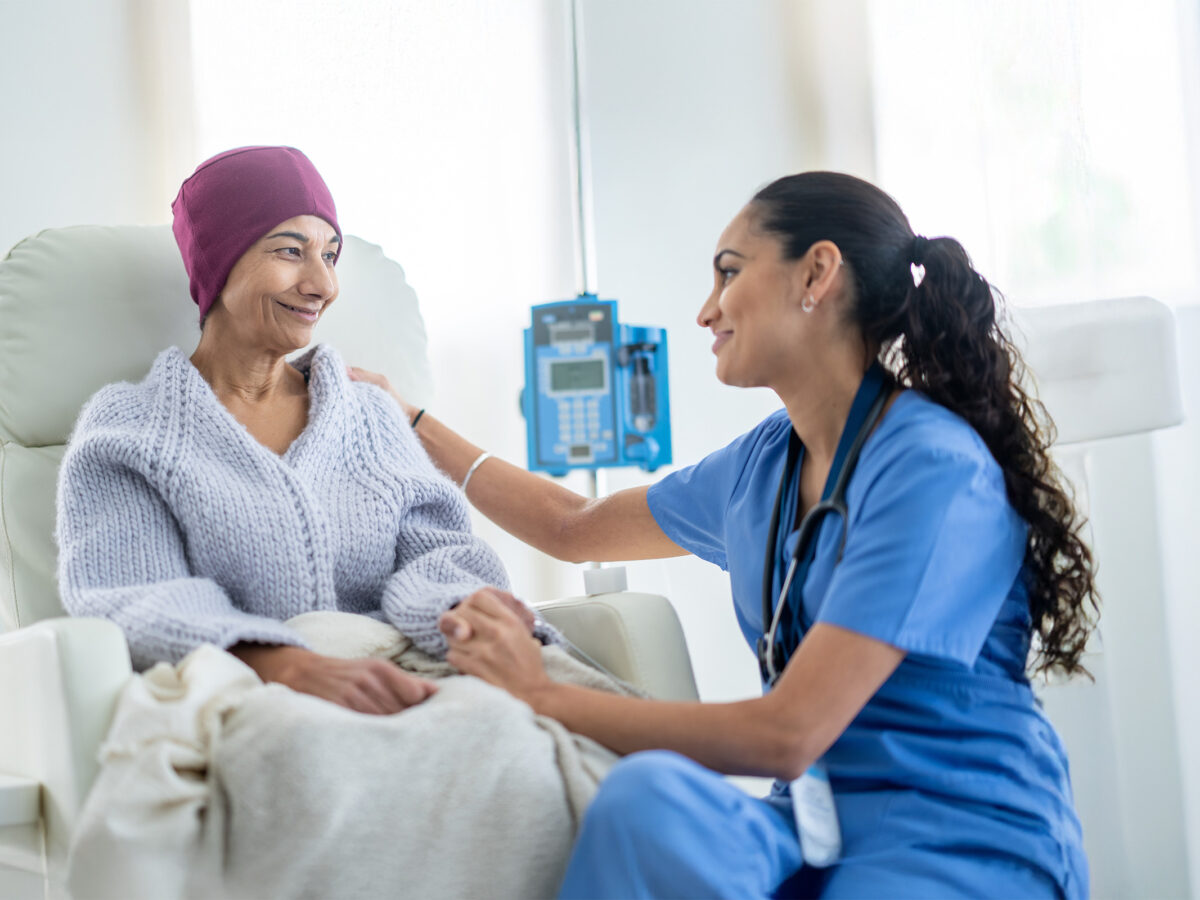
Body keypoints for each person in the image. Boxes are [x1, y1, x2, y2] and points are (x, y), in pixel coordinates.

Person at [354, 172, 1095, 898]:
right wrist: (408, 421)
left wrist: (536, 692)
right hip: (807, 831)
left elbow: (790, 734)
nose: (705, 312)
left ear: (817, 274)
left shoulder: (933, 469)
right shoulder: (765, 463)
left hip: (959, 836)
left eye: (728, 273)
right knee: (646, 802)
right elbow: (572, 527)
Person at [56, 145, 543, 716]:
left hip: (417, 671)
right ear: (219, 263)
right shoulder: (130, 429)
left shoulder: (367, 414)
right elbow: (133, 591)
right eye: (291, 252)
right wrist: (284, 664)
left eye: (330, 256)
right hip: (250, 694)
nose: (322, 285)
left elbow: (438, 553)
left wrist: (464, 610)